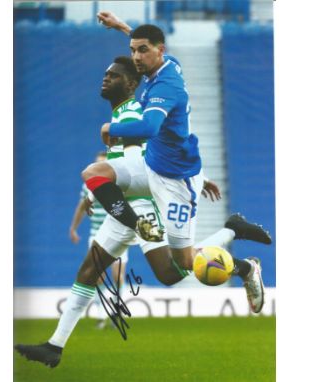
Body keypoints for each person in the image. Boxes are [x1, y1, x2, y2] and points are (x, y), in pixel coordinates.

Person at [15, 56, 271, 368]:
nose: (106, 78)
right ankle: (54, 346)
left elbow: (153, 148)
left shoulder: (135, 110)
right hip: (124, 207)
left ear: (132, 84)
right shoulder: (122, 111)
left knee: (172, 272)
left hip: (143, 205)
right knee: (90, 270)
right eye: (105, 73)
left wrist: (188, 177)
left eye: (114, 75)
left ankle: (237, 247)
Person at [88, 13, 270, 309]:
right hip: (156, 168)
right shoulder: (168, 63)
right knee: (98, 174)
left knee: (183, 264)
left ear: (160, 51)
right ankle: (233, 229)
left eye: (142, 50)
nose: (135, 56)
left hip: (175, 182)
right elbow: (146, 42)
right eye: (133, 49)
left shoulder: (165, 87)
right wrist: (122, 27)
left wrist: (111, 128)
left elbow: (149, 128)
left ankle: (246, 266)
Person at [69, 151, 127, 329]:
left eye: (102, 164)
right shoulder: (89, 186)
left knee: (118, 276)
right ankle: (101, 316)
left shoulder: (119, 183)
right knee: (99, 276)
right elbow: (82, 207)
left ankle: (116, 313)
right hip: (96, 235)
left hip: (118, 233)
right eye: (97, 164)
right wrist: (73, 228)